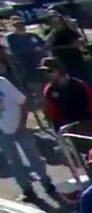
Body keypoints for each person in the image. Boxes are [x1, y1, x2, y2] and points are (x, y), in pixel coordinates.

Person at [0, 61, 58, 202]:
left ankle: (47, 184)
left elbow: (23, 102)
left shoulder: (2, 83)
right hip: (2, 130)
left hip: (20, 125)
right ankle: (27, 189)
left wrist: (22, 123)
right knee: (13, 160)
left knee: (33, 155)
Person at [39, 58, 92, 130]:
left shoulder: (79, 85)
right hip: (67, 123)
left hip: (87, 119)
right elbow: (51, 113)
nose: (47, 74)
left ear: (60, 70)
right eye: (44, 72)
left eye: (50, 71)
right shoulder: (50, 91)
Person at [44, 12, 89, 84]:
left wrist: (80, 41)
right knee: (72, 78)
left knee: (84, 76)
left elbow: (80, 38)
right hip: (63, 60)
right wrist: (55, 32)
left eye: (57, 18)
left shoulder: (69, 29)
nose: (56, 21)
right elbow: (47, 45)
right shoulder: (50, 32)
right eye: (53, 19)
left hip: (76, 56)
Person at [4, 19, 46, 91]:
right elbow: (10, 49)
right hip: (22, 61)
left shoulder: (32, 35)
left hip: (37, 61)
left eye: (21, 25)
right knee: (27, 78)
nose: (20, 27)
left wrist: (40, 49)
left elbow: (43, 44)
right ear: (14, 27)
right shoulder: (11, 37)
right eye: (17, 25)